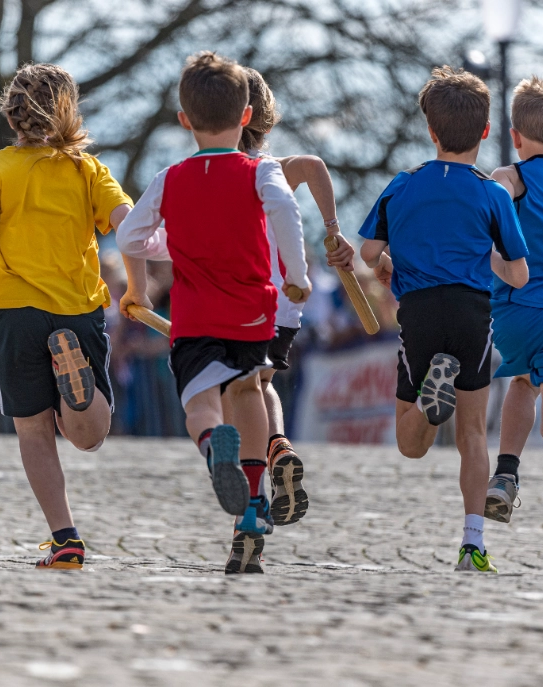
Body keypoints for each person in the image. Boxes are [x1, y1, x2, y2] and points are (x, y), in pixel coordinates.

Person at [0, 63, 133, 570]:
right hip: (78, 308)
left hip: (16, 311)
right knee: (89, 435)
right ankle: (77, 387)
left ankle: (65, 540)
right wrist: (143, 279)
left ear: (11, 114)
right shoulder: (87, 170)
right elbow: (127, 222)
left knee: (34, 432)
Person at [116, 52, 310, 574]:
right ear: (247, 115)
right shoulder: (260, 170)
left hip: (195, 320)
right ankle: (251, 503)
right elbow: (286, 210)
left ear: (184, 119)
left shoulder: (171, 177)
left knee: (201, 406)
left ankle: (210, 448)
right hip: (253, 314)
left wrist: (142, 282)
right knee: (249, 394)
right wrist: (297, 272)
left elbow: (130, 235)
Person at [359, 66, 529, 573]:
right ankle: (472, 544)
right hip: (472, 314)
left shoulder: (403, 185)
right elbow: (519, 275)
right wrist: (491, 263)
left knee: (411, 446)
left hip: (420, 313)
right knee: (473, 434)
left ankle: (430, 407)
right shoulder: (493, 193)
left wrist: (389, 264)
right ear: (485, 130)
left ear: (430, 130)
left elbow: (370, 251)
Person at [223, 67, 354, 573]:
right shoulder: (277, 168)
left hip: (239, 301)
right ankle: (278, 448)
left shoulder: (223, 172)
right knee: (263, 384)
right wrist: (332, 230)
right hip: (285, 303)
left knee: (238, 396)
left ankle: (251, 501)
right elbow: (317, 165)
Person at [483, 77, 543, 556]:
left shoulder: (514, 176)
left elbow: (497, 191)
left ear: (516, 137)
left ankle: (504, 477)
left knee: (521, 381)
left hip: (518, 314)